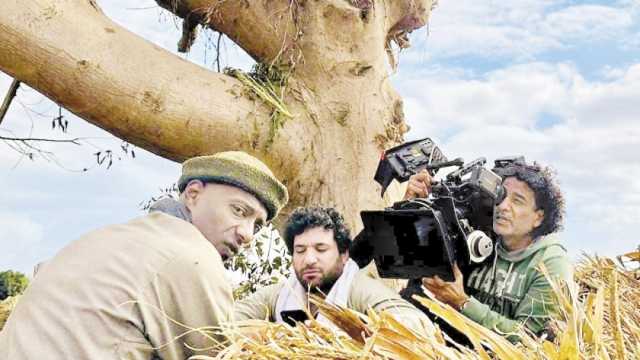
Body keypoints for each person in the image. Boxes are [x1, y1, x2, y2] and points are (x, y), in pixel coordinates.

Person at [0, 151, 288, 359]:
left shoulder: (111, 237)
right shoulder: (190, 256)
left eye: (258, 225)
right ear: (193, 194)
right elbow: (219, 352)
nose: (247, 234)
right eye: (239, 211)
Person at [408, 161, 572, 341]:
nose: (502, 206)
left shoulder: (551, 263)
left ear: (538, 218)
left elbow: (528, 339)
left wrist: (463, 303)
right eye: (501, 196)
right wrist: (410, 207)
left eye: (517, 201)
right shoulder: (480, 236)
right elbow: (403, 263)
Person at [233, 207, 434, 335]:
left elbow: (415, 324)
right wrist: (274, 334)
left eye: (321, 249)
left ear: (344, 254)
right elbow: (224, 322)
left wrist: (359, 334)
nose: (309, 260)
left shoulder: (359, 290)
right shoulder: (280, 294)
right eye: (300, 250)